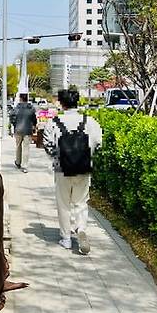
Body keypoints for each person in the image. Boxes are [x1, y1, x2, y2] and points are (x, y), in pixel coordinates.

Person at [44, 89, 102, 254]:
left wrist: (58, 158)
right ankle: (81, 228)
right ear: (78, 102)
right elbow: (98, 141)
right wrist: (86, 155)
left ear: (61, 103)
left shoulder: (54, 122)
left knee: (63, 203)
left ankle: (66, 239)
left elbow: (48, 145)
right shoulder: (89, 121)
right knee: (81, 201)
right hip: (83, 167)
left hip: (62, 169)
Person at [13, 93, 37, 173]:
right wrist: (33, 125)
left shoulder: (17, 108)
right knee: (26, 148)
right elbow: (34, 119)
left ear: (20, 98)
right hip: (28, 130)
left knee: (18, 146)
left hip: (18, 129)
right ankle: (25, 166)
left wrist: (14, 124)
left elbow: (12, 117)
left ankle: (18, 162)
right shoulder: (31, 108)